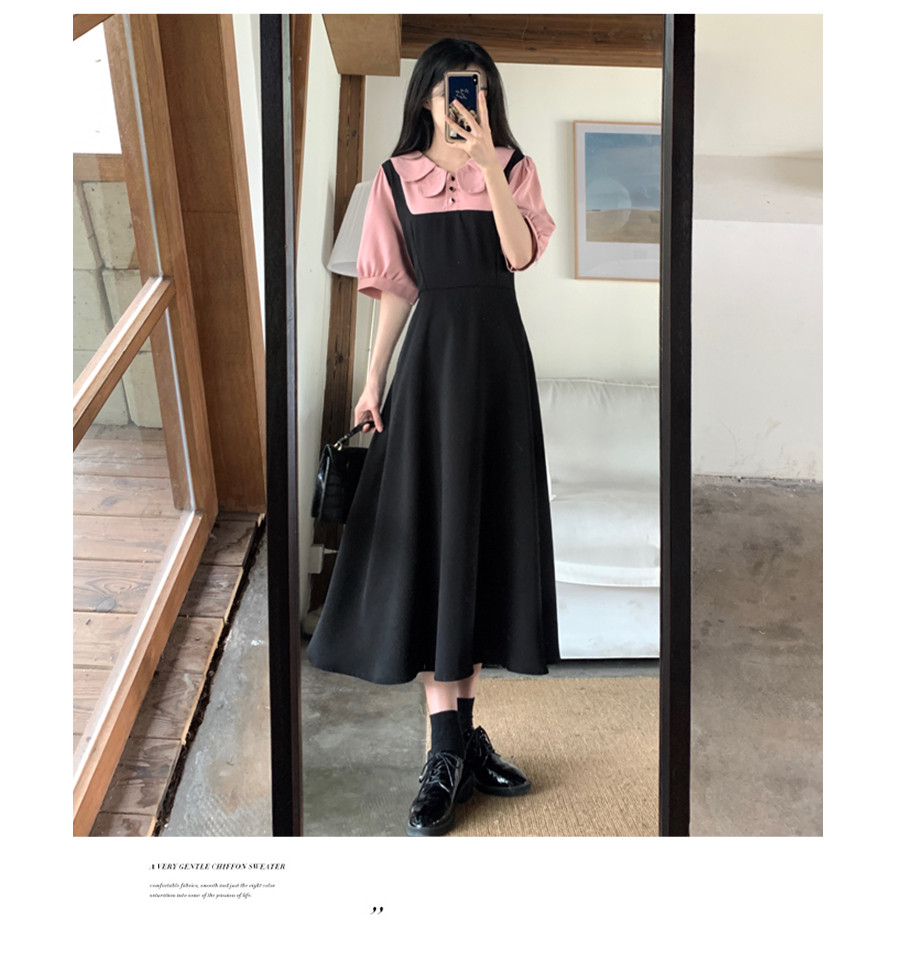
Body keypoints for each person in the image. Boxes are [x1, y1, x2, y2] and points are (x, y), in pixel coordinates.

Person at [306, 37, 560, 837]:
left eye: (477, 88)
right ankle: (447, 749)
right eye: (453, 88)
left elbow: (517, 254)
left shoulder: (514, 168)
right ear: (425, 95)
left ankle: (459, 744)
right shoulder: (392, 178)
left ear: (489, 97)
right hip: (428, 371)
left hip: (498, 370)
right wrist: (372, 379)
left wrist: (488, 167)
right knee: (434, 544)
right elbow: (396, 291)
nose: (463, 100)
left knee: (479, 542)